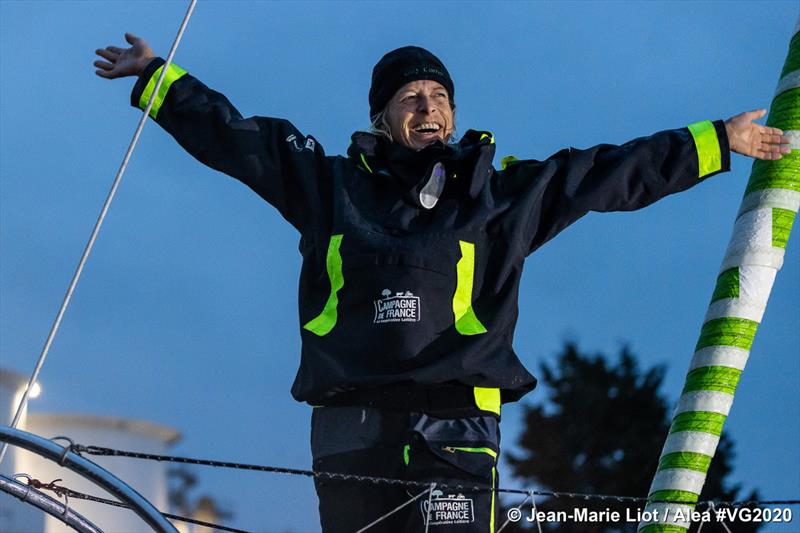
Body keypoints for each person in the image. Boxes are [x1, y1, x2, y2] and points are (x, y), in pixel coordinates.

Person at [95, 33, 789, 532]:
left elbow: (600, 174)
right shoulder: (327, 185)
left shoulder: (496, 195)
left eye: (438, 95)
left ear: (452, 112)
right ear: (381, 117)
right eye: (409, 96)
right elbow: (240, 139)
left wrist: (713, 141)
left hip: (455, 423)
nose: (427, 106)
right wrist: (159, 76)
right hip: (349, 422)